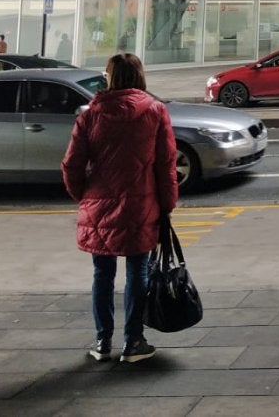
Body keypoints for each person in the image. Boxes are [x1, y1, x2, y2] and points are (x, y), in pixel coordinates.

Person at [62, 53, 177, 364]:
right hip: (141, 205)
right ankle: (133, 341)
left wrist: (84, 197)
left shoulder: (90, 114)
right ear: (140, 75)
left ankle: (102, 342)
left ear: (109, 77)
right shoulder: (154, 111)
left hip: (98, 207)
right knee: (138, 271)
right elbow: (166, 165)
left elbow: (71, 165)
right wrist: (167, 205)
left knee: (102, 274)